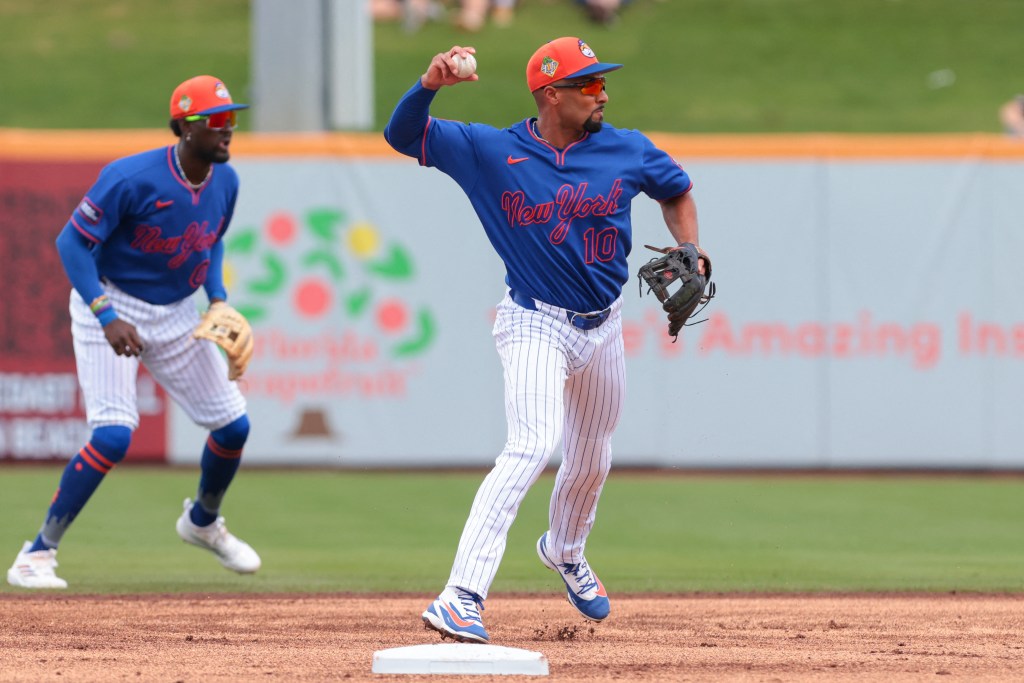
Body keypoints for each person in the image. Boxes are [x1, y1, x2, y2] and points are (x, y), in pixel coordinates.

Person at [384, 37, 705, 642]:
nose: (603, 92)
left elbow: (676, 189)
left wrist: (690, 247)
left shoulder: (627, 148)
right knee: (531, 445)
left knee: (592, 453)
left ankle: (564, 548)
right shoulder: (489, 150)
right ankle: (461, 594)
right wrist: (428, 86)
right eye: (589, 85)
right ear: (551, 95)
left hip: (603, 324)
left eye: (602, 82)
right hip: (534, 320)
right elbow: (403, 136)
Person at [6, 75, 261, 589]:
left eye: (231, 118)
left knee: (234, 427)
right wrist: (105, 313)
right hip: (110, 300)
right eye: (215, 121)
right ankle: (36, 555)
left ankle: (203, 523)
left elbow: (212, 243)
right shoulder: (131, 177)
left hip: (175, 311)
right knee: (115, 434)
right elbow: (71, 245)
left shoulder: (226, 181)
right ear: (184, 128)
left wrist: (217, 299)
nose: (227, 129)